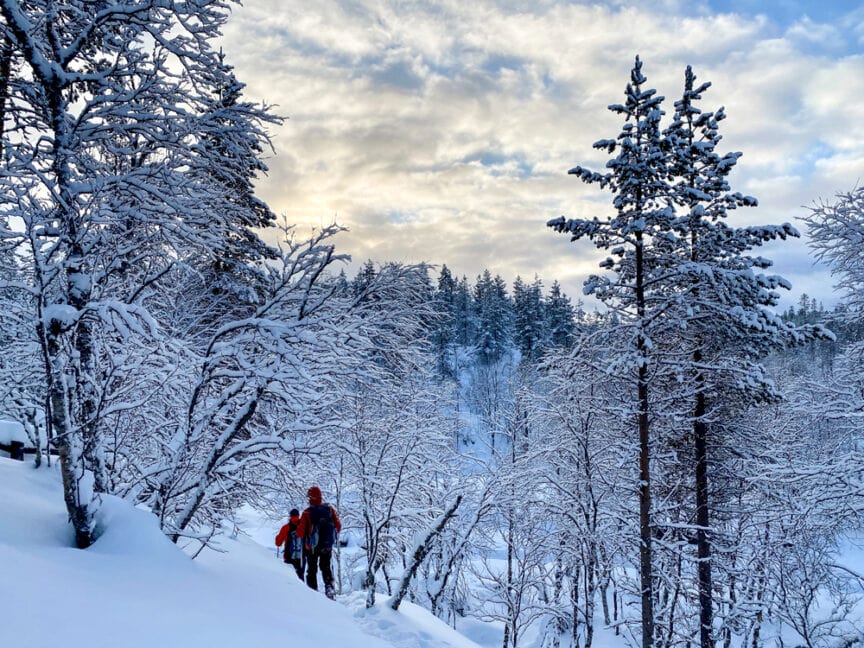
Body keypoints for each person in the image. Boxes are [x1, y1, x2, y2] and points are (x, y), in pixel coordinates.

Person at [296, 485, 341, 600]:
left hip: (312, 548)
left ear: (310, 498)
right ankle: (329, 588)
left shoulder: (307, 512)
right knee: (325, 567)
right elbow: (338, 526)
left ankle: (312, 593)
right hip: (327, 546)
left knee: (312, 569)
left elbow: (300, 533)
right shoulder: (329, 509)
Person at [275, 508, 304, 580]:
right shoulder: (303, 527)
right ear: (298, 516)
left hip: (288, 556)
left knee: (289, 578)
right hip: (301, 556)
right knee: (300, 576)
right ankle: (303, 590)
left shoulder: (286, 527)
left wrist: (277, 537)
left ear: (290, 516)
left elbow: (278, 543)